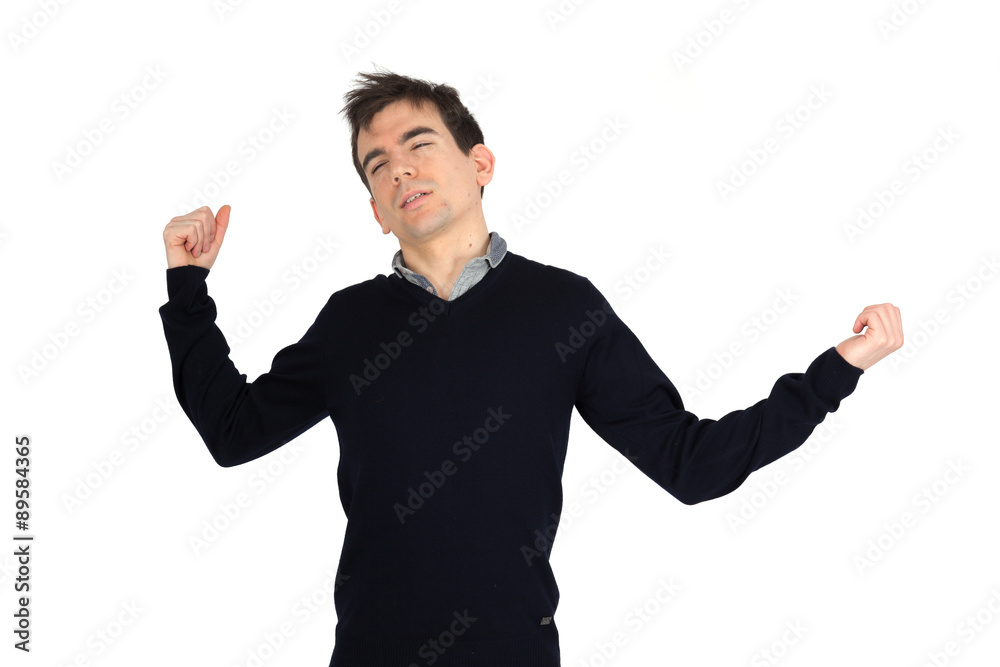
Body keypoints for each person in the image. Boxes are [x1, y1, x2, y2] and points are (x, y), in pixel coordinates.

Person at [159, 69, 903, 666]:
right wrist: (187, 286)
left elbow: (692, 463)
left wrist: (836, 371)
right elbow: (234, 431)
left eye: (419, 144)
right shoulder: (350, 323)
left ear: (479, 164)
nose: (400, 168)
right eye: (377, 165)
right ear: (378, 212)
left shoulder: (562, 310)